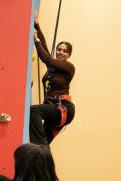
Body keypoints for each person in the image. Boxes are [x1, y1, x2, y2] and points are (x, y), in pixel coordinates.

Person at [30, 11, 75, 145]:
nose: (60, 52)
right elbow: (44, 47)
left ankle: (35, 148)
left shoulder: (68, 67)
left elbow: (46, 57)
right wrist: (36, 24)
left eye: (64, 51)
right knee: (43, 144)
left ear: (69, 55)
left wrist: (35, 39)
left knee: (34, 110)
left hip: (63, 108)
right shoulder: (53, 67)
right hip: (53, 107)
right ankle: (39, 154)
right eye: (59, 49)